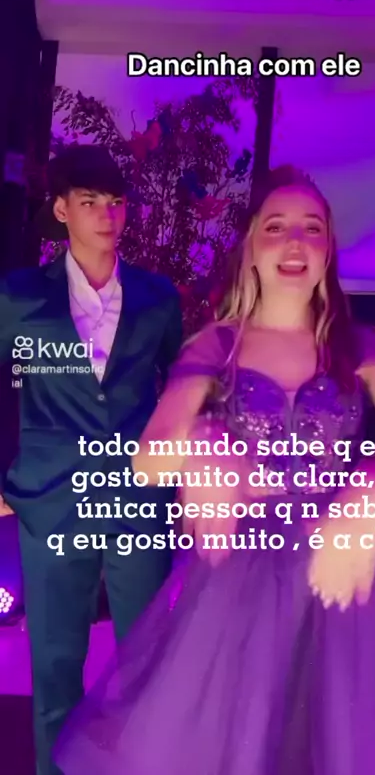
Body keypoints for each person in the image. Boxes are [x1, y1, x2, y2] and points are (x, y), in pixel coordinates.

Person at [54, 166, 375, 774]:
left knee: (343, 740)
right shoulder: (216, 346)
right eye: (276, 227)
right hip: (239, 579)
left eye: (312, 228)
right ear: (252, 245)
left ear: (327, 249)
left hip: (344, 571)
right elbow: (149, 459)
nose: (295, 241)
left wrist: (371, 493)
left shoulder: (361, 346)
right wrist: (204, 444)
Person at [0, 145, 182, 774]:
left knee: (147, 661)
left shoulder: (158, 297)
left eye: (116, 202)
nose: (107, 214)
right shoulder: (17, 296)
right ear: (61, 210)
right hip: (50, 500)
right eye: (89, 202)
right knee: (54, 665)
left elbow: (184, 388)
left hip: (139, 500)